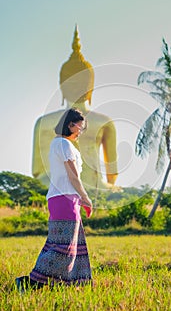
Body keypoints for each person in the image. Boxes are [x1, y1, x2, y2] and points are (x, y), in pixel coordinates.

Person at [32, 26, 118, 190]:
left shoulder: (44, 122)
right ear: (90, 85)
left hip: (50, 189)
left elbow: (37, 172)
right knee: (114, 191)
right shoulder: (103, 122)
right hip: (93, 188)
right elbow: (112, 174)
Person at [16, 109, 93, 292]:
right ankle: (29, 283)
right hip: (64, 199)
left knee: (64, 244)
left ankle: (57, 285)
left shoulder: (63, 144)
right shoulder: (62, 144)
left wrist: (79, 198)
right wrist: (86, 197)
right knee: (63, 247)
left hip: (66, 198)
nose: (80, 131)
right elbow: (73, 176)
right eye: (79, 127)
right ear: (70, 125)